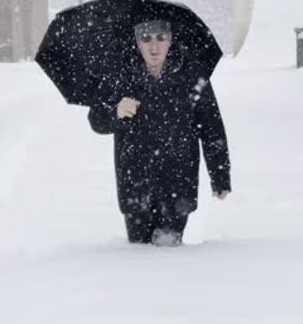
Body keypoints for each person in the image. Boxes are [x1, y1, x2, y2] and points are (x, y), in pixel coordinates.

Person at [87, 19, 231, 246]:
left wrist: (220, 176)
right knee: (139, 258)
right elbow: (96, 120)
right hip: (135, 183)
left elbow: (211, 127)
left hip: (178, 181)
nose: (154, 47)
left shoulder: (192, 74)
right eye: (146, 39)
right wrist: (116, 112)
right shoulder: (121, 75)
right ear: (137, 42)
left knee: (168, 257)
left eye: (160, 38)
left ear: (170, 40)